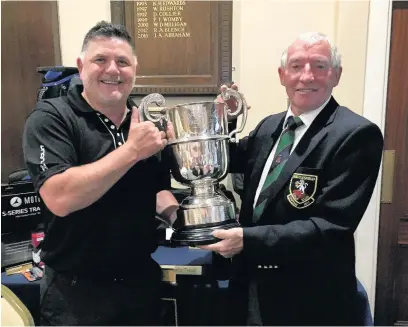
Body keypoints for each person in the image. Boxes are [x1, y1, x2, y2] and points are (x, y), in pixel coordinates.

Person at [202, 32, 384, 325]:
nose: (307, 76)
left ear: (336, 75)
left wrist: (247, 240)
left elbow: (330, 227)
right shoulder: (269, 126)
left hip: (309, 299)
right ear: (282, 75)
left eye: (320, 66)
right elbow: (226, 160)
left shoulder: (356, 135)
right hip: (251, 287)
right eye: (297, 66)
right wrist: (222, 120)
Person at [23, 21, 179, 326]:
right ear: (81, 66)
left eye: (122, 62)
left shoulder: (146, 122)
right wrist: (131, 151)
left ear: (135, 69)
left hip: (140, 285)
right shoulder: (52, 118)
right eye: (100, 60)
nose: (112, 70)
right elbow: (60, 197)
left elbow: (158, 189)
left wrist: (180, 216)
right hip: (77, 295)